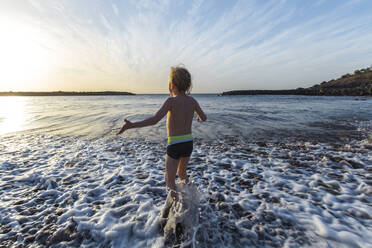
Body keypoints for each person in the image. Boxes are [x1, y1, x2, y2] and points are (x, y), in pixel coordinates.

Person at [116, 66, 207, 200]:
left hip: (175, 144)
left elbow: (154, 120)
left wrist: (131, 125)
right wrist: (198, 118)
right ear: (188, 85)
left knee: (169, 180)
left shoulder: (171, 101)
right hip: (188, 143)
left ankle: (174, 207)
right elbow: (203, 117)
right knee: (182, 173)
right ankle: (192, 197)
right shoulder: (192, 101)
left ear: (172, 85)